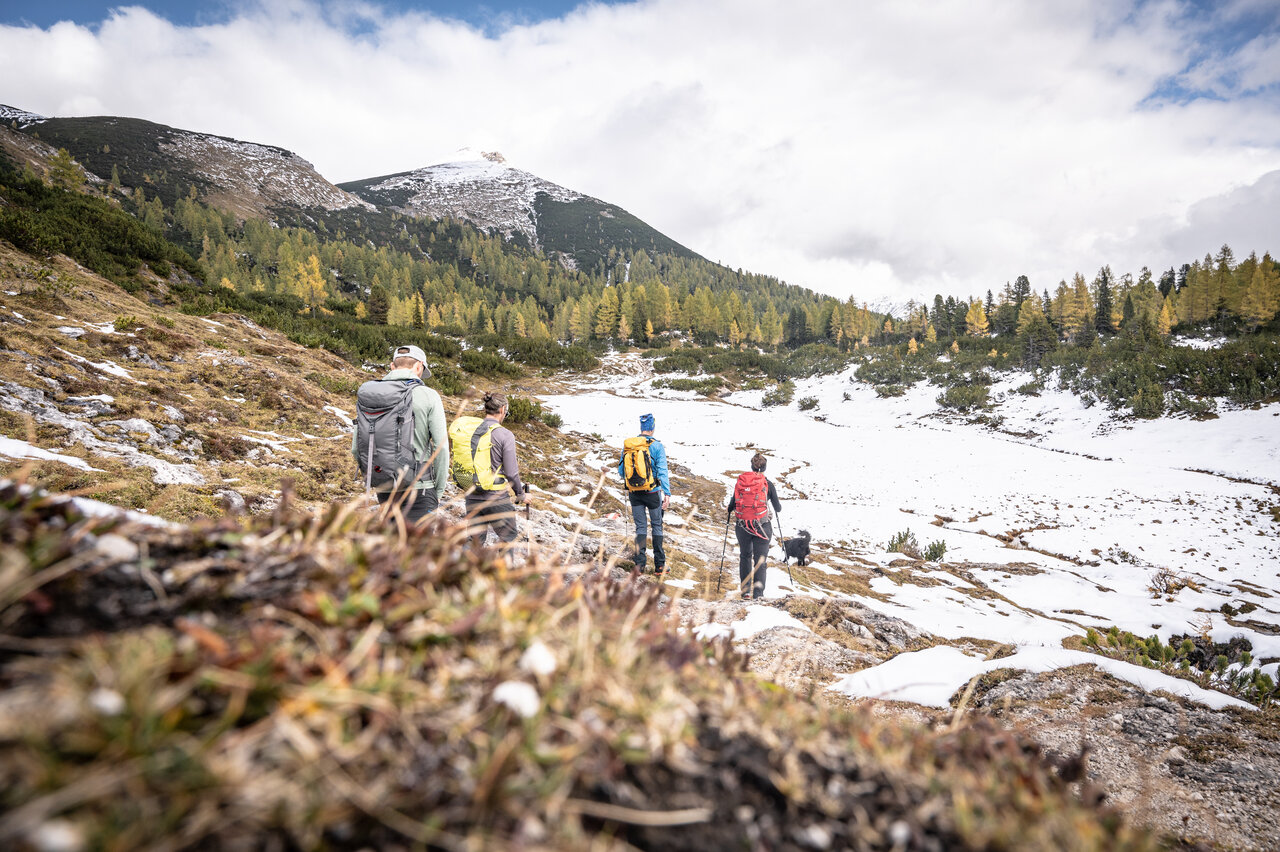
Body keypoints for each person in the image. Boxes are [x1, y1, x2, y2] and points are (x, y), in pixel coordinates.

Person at [352, 344, 448, 524]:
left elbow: (356, 448)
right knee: (419, 550)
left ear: (392, 366)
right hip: (421, 488)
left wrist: (376, 475)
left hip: (385, 486)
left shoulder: (371, 394)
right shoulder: (428, 395)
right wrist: (439, 490)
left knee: (394, 547)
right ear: (419, 366)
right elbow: (441, 447)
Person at [461, 391, 525, 544]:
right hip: (496, 497)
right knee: (507, 538)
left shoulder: (471, 431)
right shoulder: (504, 434)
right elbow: (511, 472)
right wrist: (520, 494)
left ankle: (462, 568)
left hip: (472, 494)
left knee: (474, 541)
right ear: (502, 409)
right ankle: (502, 568)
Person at [617, 413, 670, 574]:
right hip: (653, 492)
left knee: (640, 527)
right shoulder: (656, 446)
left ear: (641, 428)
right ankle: (659, 566)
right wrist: (666, 493)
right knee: (656, 526)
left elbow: (621, 471)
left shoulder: (630, 445)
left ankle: (639, 565)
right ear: (652, 428)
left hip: (635, 493)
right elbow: (662, 471)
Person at [727, 452, 782, 600]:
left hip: (743, 526)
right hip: (762, 526)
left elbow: (731, 505)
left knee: (745, 556)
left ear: (751, 466)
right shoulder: (767, 484)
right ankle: (758, 595)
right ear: (764, 468)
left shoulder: (742, 482)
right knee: (760, 561)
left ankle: (745, 592)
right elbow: (778, 508)